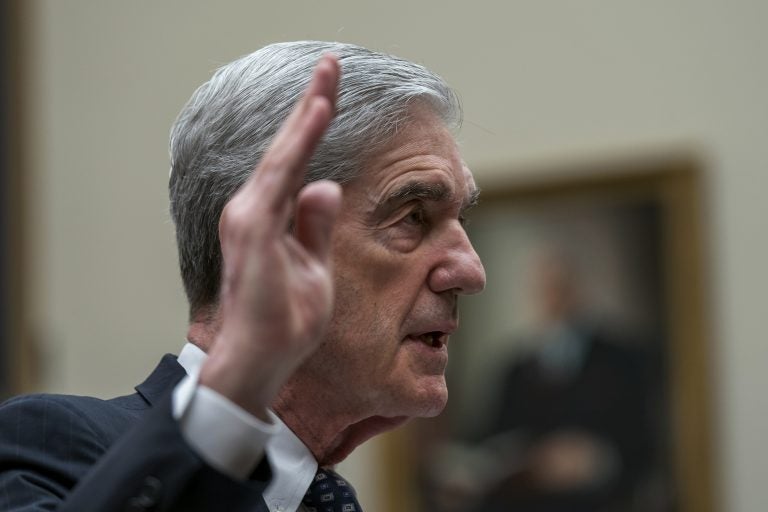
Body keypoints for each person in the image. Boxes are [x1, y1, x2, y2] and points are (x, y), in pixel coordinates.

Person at [0, 41, 486, 511]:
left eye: (459, 221)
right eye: (413, 216)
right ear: (268, 241)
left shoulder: (326, 502)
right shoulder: (49, 445)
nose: (470, 270)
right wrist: (233, 392)